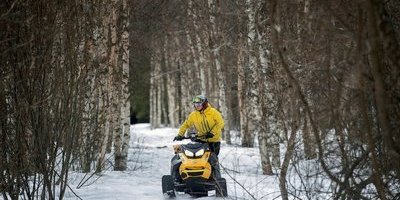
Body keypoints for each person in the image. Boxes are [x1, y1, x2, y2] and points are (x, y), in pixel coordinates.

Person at [173, 95, 224, 179]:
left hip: (214, 141)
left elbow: (220, 123)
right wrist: (180, 135)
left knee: (213, 160)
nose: (197, 107)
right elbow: (186, 124)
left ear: (204, 104)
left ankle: (216, 179)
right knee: (198, 158)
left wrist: (212, 132)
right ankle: (195, 176)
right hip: (201, 140)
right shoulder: (194, 115)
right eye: (195, 105)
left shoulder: (213, 112)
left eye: (199, 105)